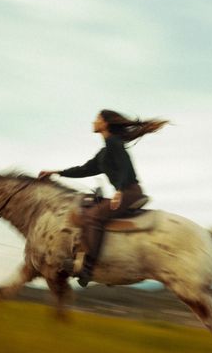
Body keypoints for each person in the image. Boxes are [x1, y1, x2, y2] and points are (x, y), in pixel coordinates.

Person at [39, 109, 168, 287]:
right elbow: (83, 170)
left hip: (130, 192)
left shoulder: (115, 143)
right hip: (124, 192)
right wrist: (57, 173)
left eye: (97, 119)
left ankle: (86, 268)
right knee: (86, 214)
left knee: (93, 216)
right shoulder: (103, 153)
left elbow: (124, 167)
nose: (94, 122)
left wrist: (120, 191)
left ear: (105, 123)